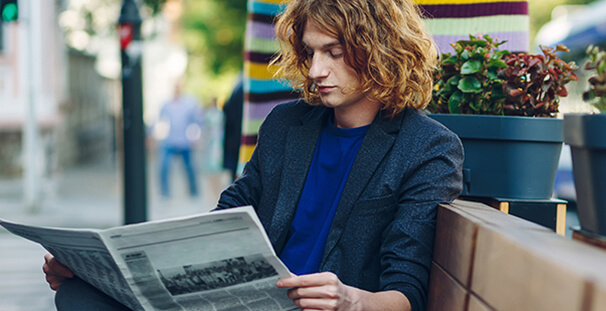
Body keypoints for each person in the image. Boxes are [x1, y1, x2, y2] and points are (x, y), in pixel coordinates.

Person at [42, 0, 464, 310]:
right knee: (79, 295)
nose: (316, 70)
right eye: (311, 52)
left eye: (334, 53)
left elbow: (406, 294)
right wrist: (104, 268)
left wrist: (351, 300)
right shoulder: (286, 126)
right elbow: (227, 217)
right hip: (247, 301)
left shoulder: (427, 147)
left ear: (380, 50)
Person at [154, 81, 202, 198]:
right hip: (169, 141)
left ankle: (193, 193)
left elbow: (198, 121)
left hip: (184, 142)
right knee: (163, 167)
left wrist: (196, 137)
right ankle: (164, 194)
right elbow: (160, 120)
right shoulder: (166, 104)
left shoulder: (189, 103)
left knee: (190, 169)